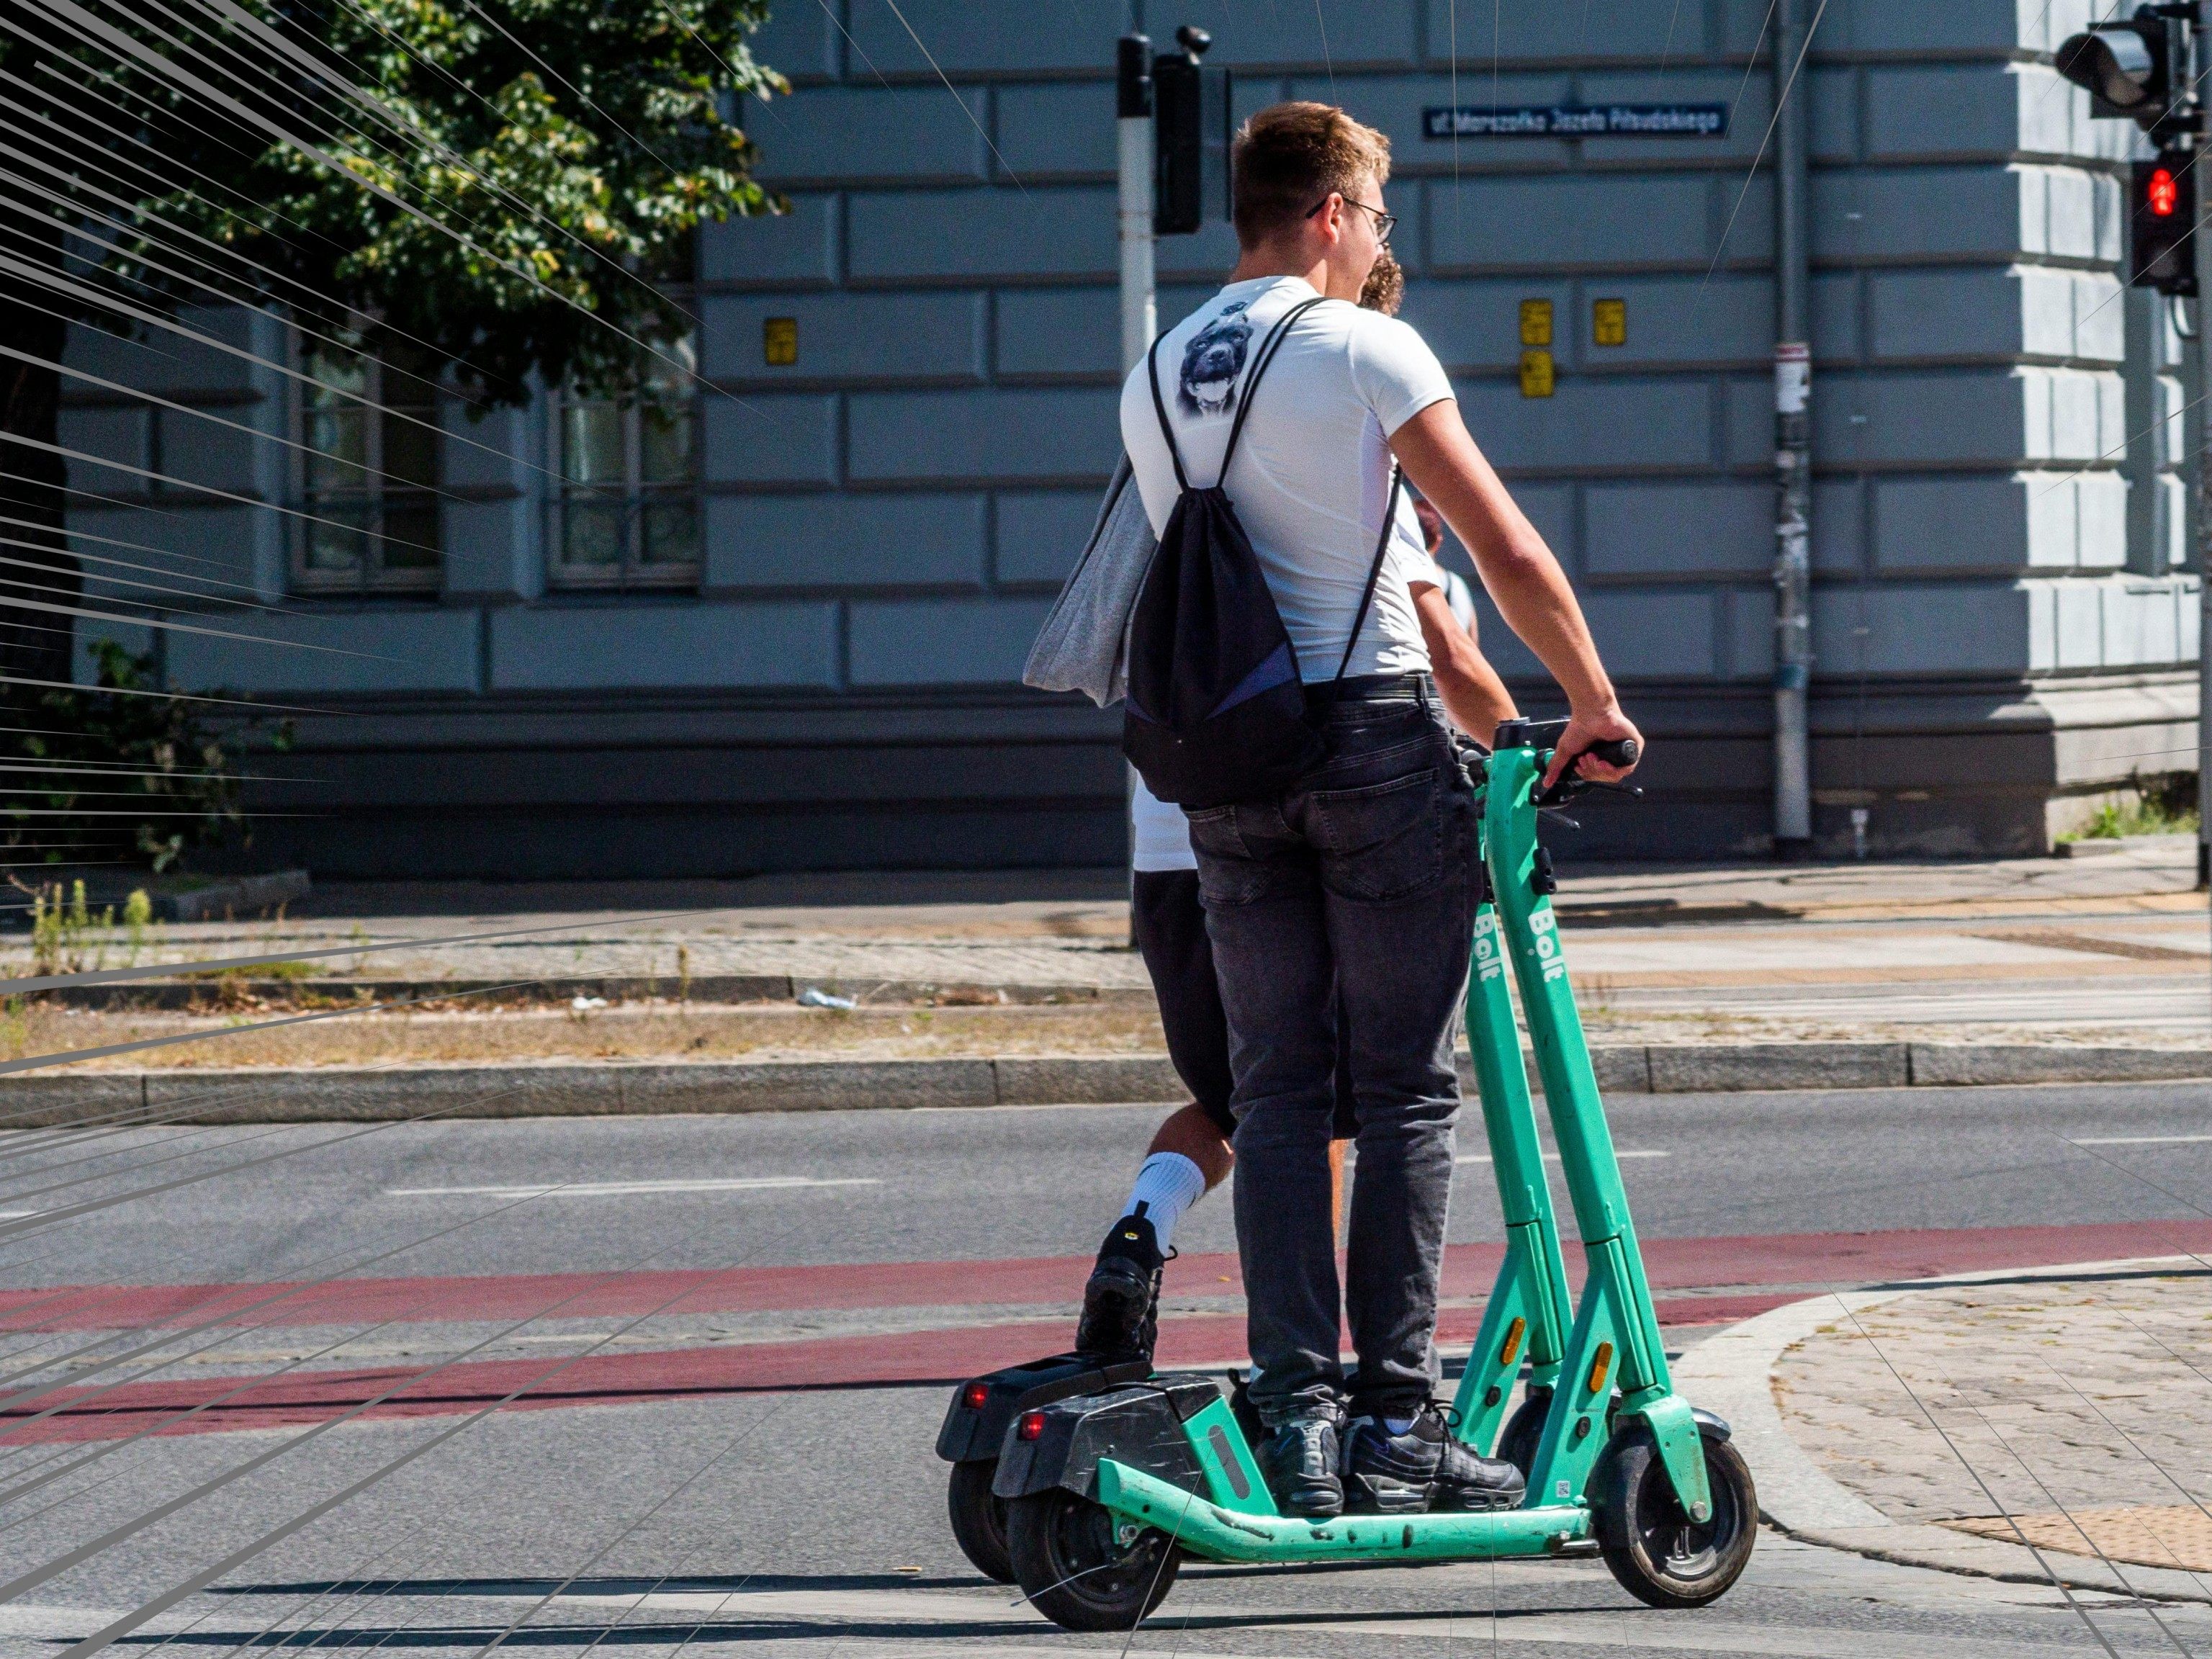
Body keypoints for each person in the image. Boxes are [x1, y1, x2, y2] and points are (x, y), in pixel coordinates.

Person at [1117, 101, 1640, 1519]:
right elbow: (1497, 543)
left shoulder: (1160, 367)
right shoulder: (1363, 345)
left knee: (1280, 1091)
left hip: (1228, 767)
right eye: (1378, 222)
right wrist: (1590, 699)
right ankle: (1398, 1426)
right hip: (1368, 738)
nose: (1377, 248)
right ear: (1337, 212)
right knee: (1404, 1093)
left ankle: (1296, 1421)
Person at [1075, 263, 1519, 1376]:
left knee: (1251, 1098)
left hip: (1182, 833)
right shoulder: (1362, 510)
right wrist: (1540, 748)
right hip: (1342, 784)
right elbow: (1458, 650)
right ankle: (1363, 1389)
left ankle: (1158, 1244)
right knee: (1380, 1099)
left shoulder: (1182, 468)